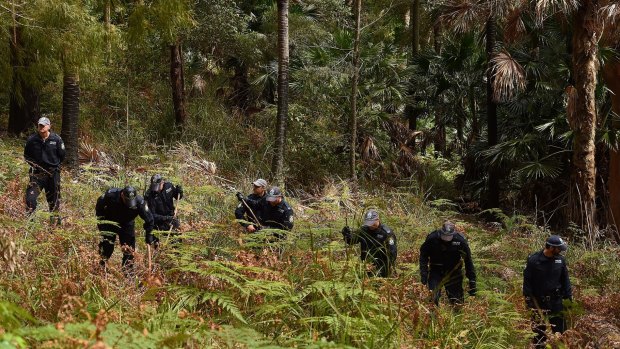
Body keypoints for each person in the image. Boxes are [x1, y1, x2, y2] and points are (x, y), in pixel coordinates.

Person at [523, 235, 572, 348]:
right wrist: (528, 300)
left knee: (561, 332)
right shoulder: (534, 260)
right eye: (558, 248)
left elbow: (565, 280)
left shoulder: (560, 260)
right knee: (539, 333)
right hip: (538, 302)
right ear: (550, 247)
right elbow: (527, 280)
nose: (560, 251)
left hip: (556, 301)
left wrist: (568, 298)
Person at [95, 186, 156, 272]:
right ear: (122, 195)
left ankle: (127, 273)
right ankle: (100, 268)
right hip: (110, 222)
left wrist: (149, 235)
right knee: (107, 248)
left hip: (127, 224)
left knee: (129, 250)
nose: (129, 204)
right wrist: (101, 223)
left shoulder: (139, 202)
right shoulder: (111, 195)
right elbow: (99, 206)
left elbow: (149, 219)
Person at [419, 221, 476, 305]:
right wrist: (424, 274)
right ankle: (432, 316)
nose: (446, 239)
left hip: (454, 272)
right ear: (441, 232)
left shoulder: (460, 241)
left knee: (457, 302)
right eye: (444, 236)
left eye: (448, 237)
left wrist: (472, 282)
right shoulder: (432, 238)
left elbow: (468, 261)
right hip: (436, 272)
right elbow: (423, 256)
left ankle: (456, 315)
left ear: (453, 234)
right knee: (432, 299)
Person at [23, 116, 65, 223]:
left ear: (49, 126)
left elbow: (62, 155)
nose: (41, 127)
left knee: (54, 202)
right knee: (30, 198)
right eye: (40, 125)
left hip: (53, 175)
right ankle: (31, 223)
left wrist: (56, 167)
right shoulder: (32, 140)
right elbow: (27, 155)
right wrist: (34, 165)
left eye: (44, 125)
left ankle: (55, 226)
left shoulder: (56, 140)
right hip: (37, 175)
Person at [341, 209, 397, 277]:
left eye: (372, 222)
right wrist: (346, 235)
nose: (370, 225)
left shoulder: (386, 233)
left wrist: (383, 269)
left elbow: (392, 253)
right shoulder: (364, 230)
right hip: (366, 265)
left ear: (377, 219)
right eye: (368, 222)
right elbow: (352, 241)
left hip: (382, 266)